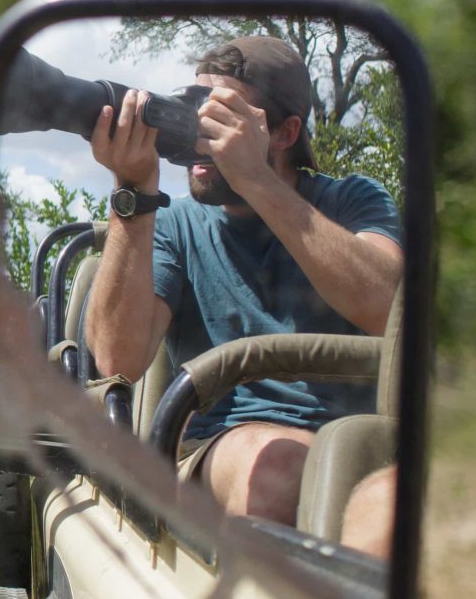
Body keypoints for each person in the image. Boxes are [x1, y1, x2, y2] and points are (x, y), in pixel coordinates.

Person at [84, 35, 404, 531]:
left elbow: (389, 307)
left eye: (223, 117)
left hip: (353, 449)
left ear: (285, 131)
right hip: (226, 448)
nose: (198, 134)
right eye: (194, 111)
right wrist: (132, 191)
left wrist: (255, 178)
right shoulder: (174, 226)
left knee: (390, 509)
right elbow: (116, 360)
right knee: (277, 468)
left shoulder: (353, 202)